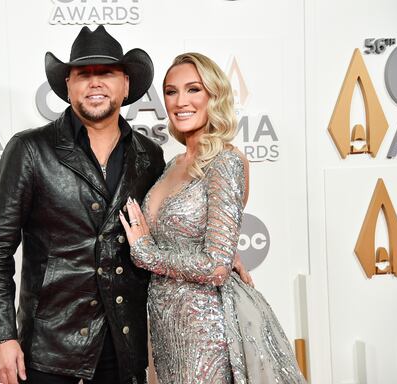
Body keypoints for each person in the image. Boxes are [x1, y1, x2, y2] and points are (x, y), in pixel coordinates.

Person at [0, 25, 165, 384]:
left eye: (106, 73)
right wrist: (2, 335)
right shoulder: (30, 150)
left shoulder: (149, 155)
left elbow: (162, 231)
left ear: (126, 84)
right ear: (68, 86)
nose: (95, 83)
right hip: (51, 350)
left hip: (126, 345)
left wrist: (220, 248)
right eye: (84, 74)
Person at [120, 52, 307, 383]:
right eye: (171, 91)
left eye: (194, 89)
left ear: (214, 96)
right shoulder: (171, 164)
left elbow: (217, 267)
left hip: (207, 327)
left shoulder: (225, 161)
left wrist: (146, 253)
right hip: (165, 324)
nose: (181, 101)